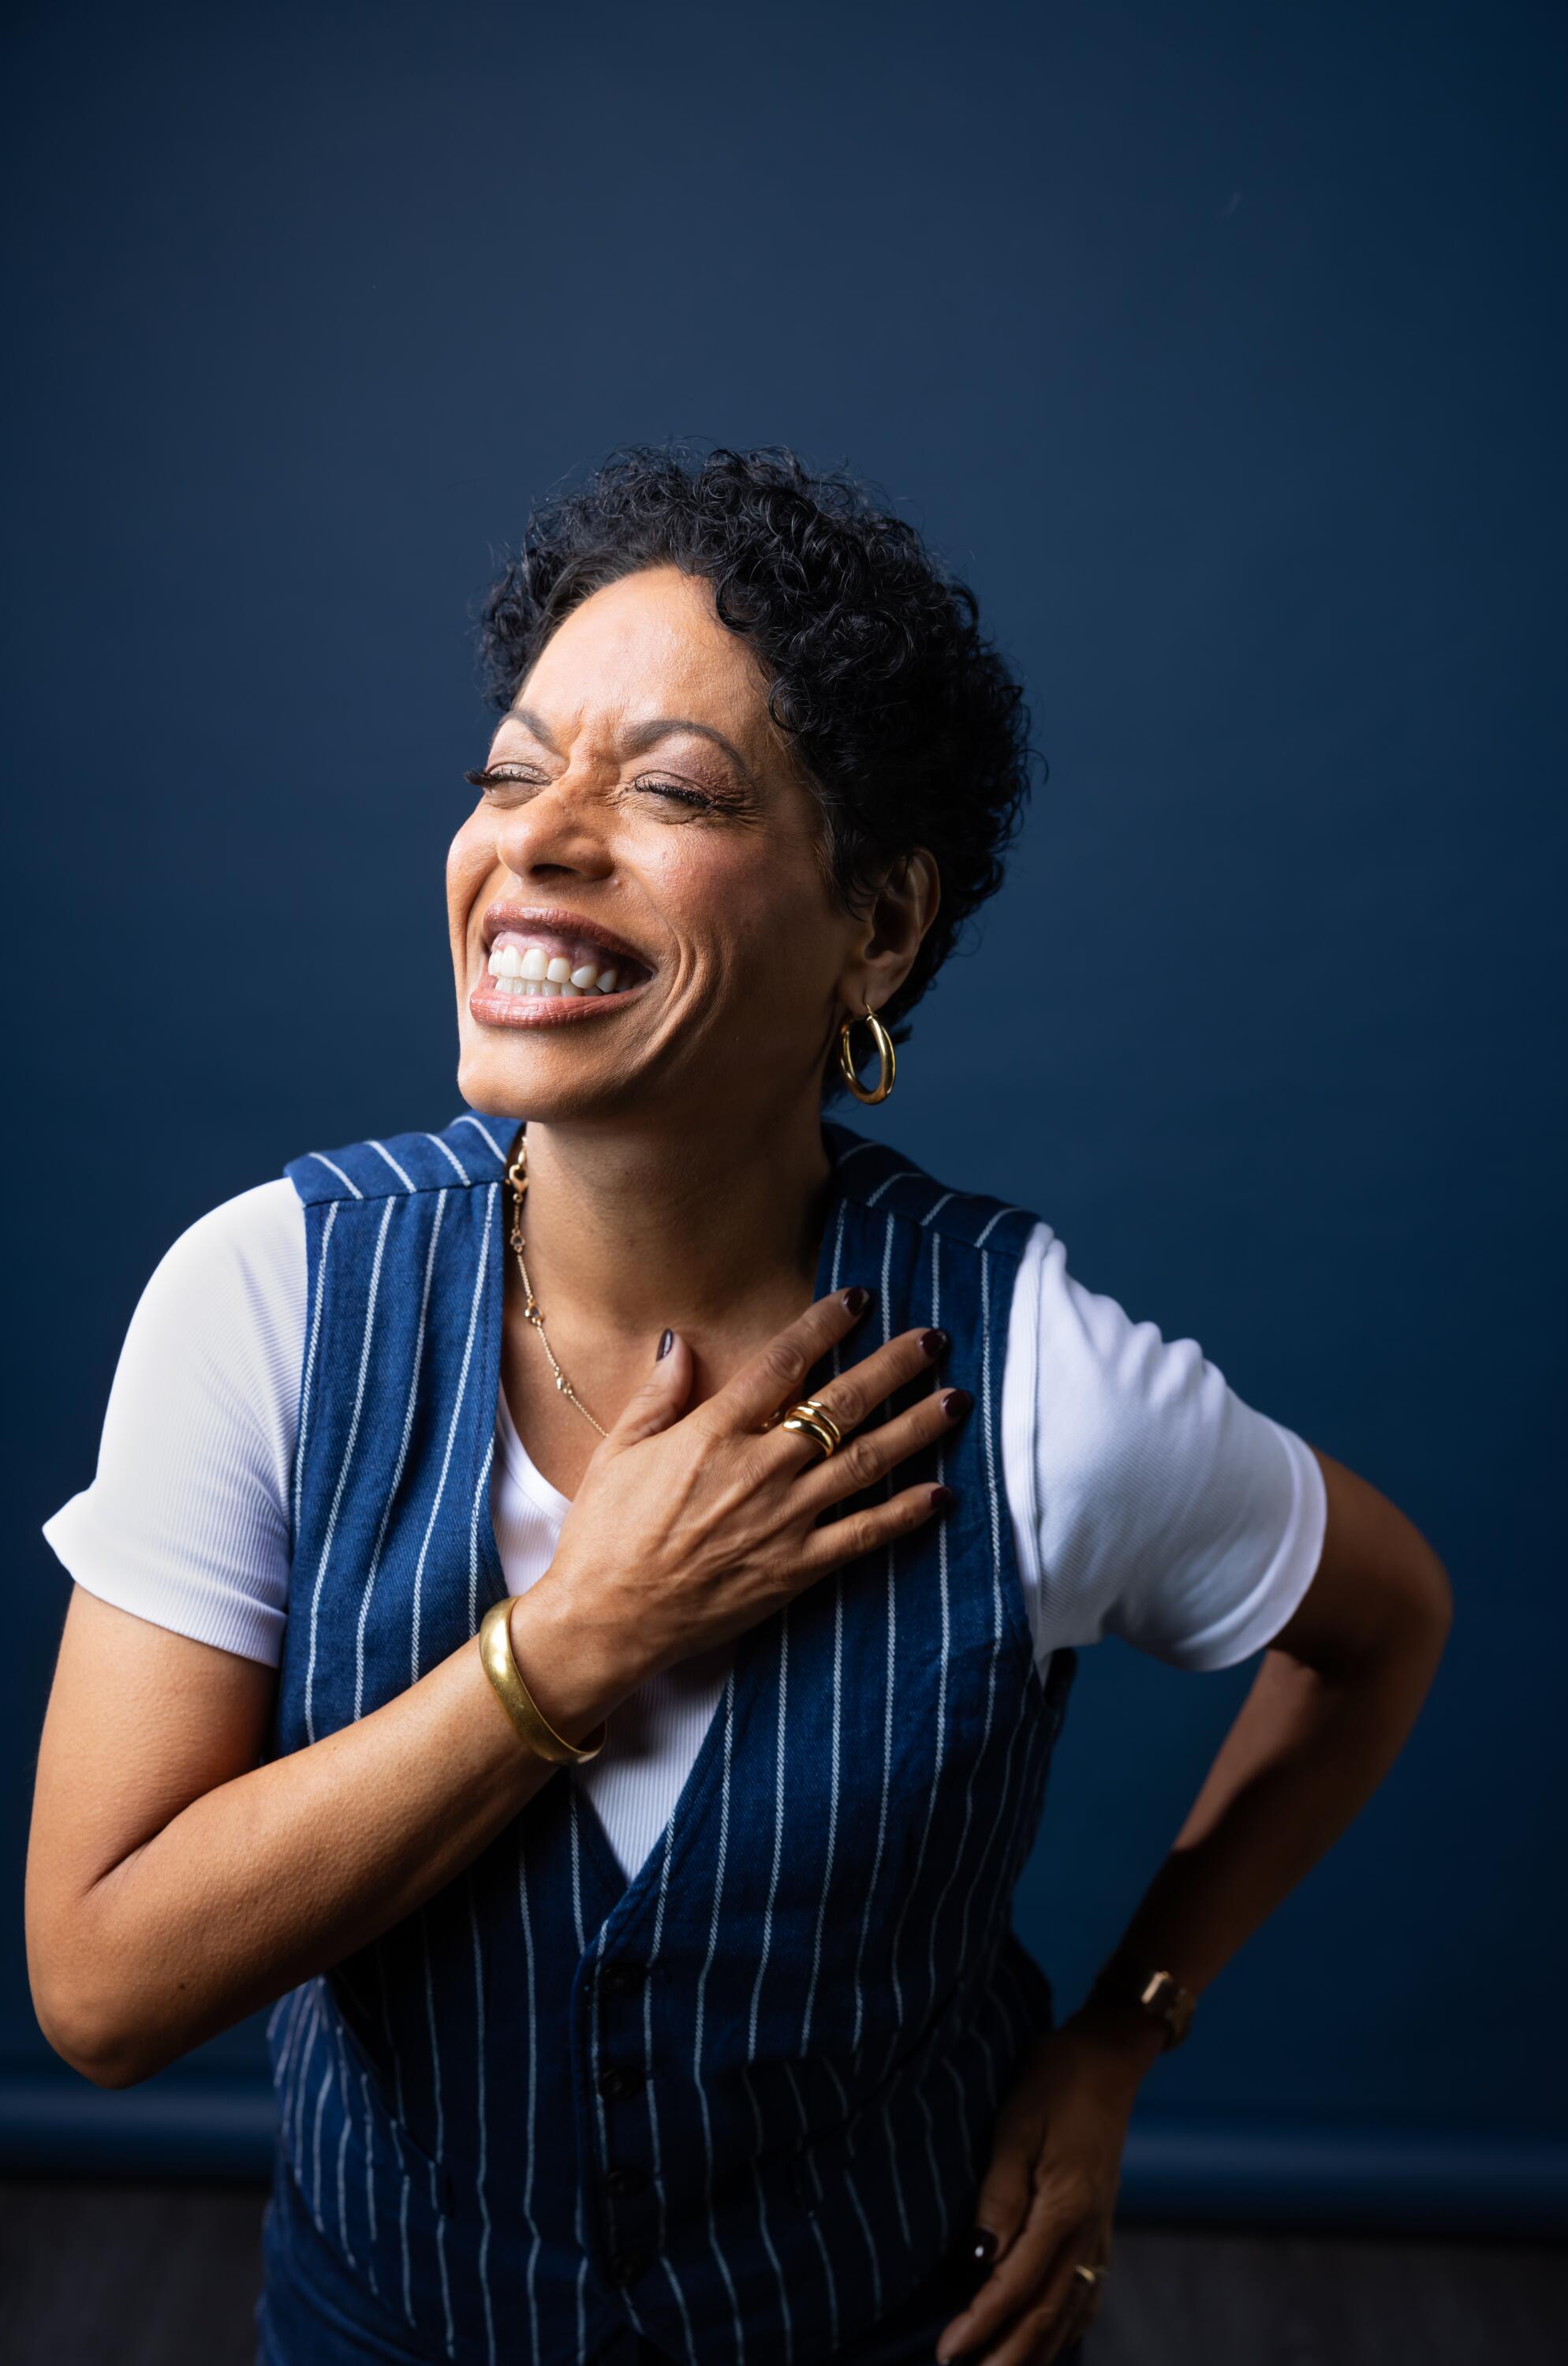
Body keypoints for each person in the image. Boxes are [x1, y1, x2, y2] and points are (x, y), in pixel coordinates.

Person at [26, 447, 1453, 2366]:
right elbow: (103, 1992)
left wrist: (1126, 2031)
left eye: (673, 790)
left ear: (875, 931)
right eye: (511, 773)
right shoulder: (262, 1301)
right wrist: (578, 1641)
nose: (537, 837)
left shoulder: (1035, 1381)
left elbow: (1382, 1627)